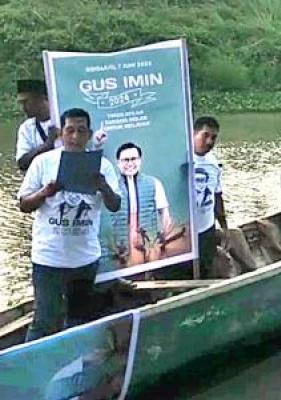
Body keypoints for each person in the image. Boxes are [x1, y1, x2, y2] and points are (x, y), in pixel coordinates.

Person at [17, 108, 121, 341]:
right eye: (70, 130)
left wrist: (102, 186)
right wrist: (46, 192)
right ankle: (33, 370)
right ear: (61, 134)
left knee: (79, 320)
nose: (75, 137)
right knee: (44, 321)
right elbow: (24, 205)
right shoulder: (43, 162)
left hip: (84, 259)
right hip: (48, 259)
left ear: (89, 134)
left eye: (81, 131)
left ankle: (75, 368)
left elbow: (115, 205)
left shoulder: (103, 166)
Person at [110, 142, 173, 266]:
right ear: (118, 163)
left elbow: (165, 214)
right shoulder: (111, 187)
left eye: (133, 159)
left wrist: (166, 241)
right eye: (125, 160)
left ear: (140, 160)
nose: (130, 163)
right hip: (122, 245)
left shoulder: (154, 183)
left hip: (149, 243)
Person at [193, 116, 230, 278]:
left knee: (205, 269)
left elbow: (217, 196)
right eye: (205, 135)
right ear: (194, 133)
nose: (209, 142)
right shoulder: (181, 158)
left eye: (213, 138)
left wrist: (224, 226)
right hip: (186, 229)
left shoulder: (213, 164)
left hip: (206, 227)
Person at [14, 79, 60, 172]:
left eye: (26, 102)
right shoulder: (26, 128)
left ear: (41, 98)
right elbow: (22, 164)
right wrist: (47, 145)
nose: (23, 107)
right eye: (21, 103)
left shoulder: (64, 121)